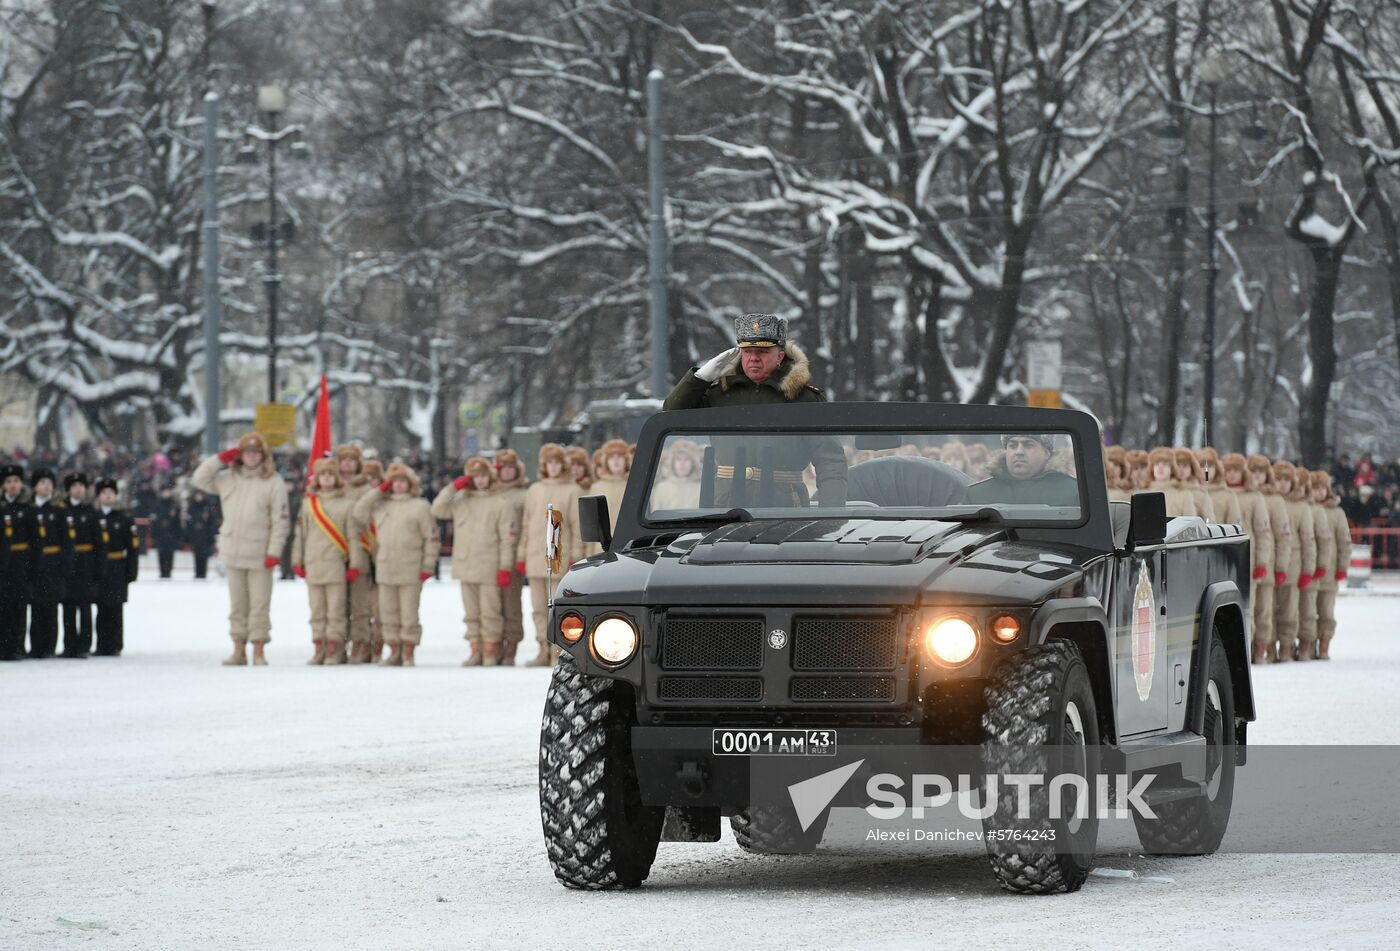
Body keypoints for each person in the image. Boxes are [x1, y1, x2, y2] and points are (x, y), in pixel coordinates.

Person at [662, 314, 847, 507]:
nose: (753, 358)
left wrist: (831, 514)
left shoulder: (804, 399)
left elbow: (830, 462)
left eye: (763, 351)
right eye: (747, 351)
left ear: (780, 356)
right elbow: (671, 414)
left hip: (784, 505)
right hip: (726, 504)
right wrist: (699, 378)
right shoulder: (720, 395)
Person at [191, 432, 290, 667]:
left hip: (260, 552)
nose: (252, 457)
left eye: (256, 453)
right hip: (233, 550)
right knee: (237, 605)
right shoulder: (228, 478)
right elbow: (199, 478)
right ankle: (238, 648)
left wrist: (274, 551)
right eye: (247, 452)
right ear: (240, 455)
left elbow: (280, 520)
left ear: (263, 456)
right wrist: (220, 459)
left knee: (259, 605)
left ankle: (258, 649)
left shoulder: (273, 481)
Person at [352, 462, 439, 667]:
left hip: (410, 568)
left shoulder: (420, 506)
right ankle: (393, 650)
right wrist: (378, 491)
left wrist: (428, 565)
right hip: (385, 568)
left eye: (403, 482)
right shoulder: (382, 505)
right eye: (394, 482)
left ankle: (408, 651)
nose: (399, 486)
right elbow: (359, 512)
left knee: (408, 614)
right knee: (388, 613)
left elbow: (431, 539)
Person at [432, 457, 515, 666]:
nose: (480, 481)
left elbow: (508, 539)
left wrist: (505, 566)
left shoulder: (500, 503)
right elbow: (437, 509)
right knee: (471, 614)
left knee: (490, 612)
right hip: (466, 566)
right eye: (475, 477)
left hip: (489, 566)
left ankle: (490, 650)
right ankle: (475, 649)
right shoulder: (460, 502)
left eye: (483, 476)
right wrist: (453, 487)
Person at [517, 444, 584, 666]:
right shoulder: (534, 490)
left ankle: (558, 651)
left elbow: (576, 527)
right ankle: (541, 649)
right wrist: (521, 554)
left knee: (558, 607)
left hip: (559, 559)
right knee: (538, 608)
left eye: (556, 463)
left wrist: (576, 555)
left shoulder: (572, 490)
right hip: (536, 558)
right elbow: (526, 525)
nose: (553, 467)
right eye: (549, 463)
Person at [292, 458, 360, 665]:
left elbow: (353, 537)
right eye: (323, 475)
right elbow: (300, 535)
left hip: (335, 564)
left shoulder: (347, 504)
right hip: (313, 563)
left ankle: (334, 648)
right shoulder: (308, 504)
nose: (327, 478)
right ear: (317, 479)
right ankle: (319, 647)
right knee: (317, 610)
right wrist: (297, 560)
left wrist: (355, 564)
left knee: (336, 610)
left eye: (331, 474)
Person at [1221, 453, 1274, 664]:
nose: (1231, 474)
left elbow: (1263, 533)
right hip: (1222, 558)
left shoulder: (1254, 498)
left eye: (1235, 470)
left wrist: (1261, 562)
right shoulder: (1220, 495)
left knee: (1247, 607)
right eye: (1228, 470)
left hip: (1244, 558)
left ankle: (1248, 650)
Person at [1247, 454, 1292, 662]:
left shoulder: (1275, 500)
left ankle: (1263, 648)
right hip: (1247, 561)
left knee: (1265, 609)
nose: (1256, 476)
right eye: (1253, 472)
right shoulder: (1246, 496)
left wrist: (1280, 566)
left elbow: (1282, 537)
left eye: (1261, 472)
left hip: (1267, 562)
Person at [1271, 461, 1314, 663]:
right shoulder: (1267, 501)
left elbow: (1308, 541)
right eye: (1278, 479)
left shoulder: (1301, 507)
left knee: (1289, 610)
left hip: (1293, 565)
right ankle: (1268, 647)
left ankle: (1287, 647)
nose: (1281, 484)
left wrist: (1308, 569)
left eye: (1286, 480)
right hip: (1270, 564)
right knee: (1267, 610)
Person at [92, 478, 140, 656]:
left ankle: (115, 644)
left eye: (111, 493)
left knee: (116, 608)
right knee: (101, 607)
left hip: (118, 567)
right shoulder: (95, 517)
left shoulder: (124, 518)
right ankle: (102, 644)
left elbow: (133, 548)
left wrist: (131, 571)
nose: (108, 496)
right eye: (104, 493)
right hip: (100, 567)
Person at [26, 468, 70, 658]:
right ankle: (36, 646)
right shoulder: (29, 510)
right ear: (35, 486)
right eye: (43, 483)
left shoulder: (58, 511)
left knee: (51, 608)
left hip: (53, 564)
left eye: (50, 483)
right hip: (34, 564)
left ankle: (49, 645)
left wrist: (64, 565)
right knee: (35, 607)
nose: (47, 487)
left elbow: (67, 541)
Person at [966, 434, 1079, 506]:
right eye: (1013, 445)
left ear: (1046, 453)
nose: (1019, 452)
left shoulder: (1073, 492)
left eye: (1028, 445)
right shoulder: (976, 494)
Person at [492, 449, 528, 665]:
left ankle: (511, 646)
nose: (506, 473)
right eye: (502, 468)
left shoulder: (524, 495)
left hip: (513, 556)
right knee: (492, 607)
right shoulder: (490, 493)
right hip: (489, 557)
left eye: (510, 468)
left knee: (511, 606)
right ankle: (494, 644)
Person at [61, 473, 100, 657]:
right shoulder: (62, 511)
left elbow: (99, 543)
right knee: (68, 607)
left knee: (85, 607)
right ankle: (69, 645)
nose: (78, 489)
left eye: (81, 486)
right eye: (75, 486)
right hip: (67, 564)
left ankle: (84, 645)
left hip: (86, 564)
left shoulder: (91, 512)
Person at [1313, 471, 1350, 660]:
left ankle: (1324, 644)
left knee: (1326, 611)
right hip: (1309, 570)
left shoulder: (1336, 513)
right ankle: (1309, 645)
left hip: (1329, 571)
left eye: (1321, 488)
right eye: (1314, 488)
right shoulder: (1307, 509)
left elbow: (1344, 542)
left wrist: (1342, 567)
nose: (1318, 492)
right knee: (1308, 611)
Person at [0, 463, 33, 662]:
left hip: (21, 562)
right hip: (3, 564)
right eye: (9, 481)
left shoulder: (27, 509)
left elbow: (36, 540)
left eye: (16, 481)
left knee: (19, 607)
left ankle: (18, 646)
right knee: (3, 606)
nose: (13, 485)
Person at [355, 457, 385, 662]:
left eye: (374, 479)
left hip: (382, 559)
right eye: (366, 479)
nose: (370, 483)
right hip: (362, 556)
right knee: (360, 607)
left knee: (380, 608)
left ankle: (378, 644)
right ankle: (362, 643)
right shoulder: (358, 501)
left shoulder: (387, 501)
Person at [585, 439, 631, 556]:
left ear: (626, 460)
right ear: (606, 461)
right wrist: (588, 554)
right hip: (601, 549)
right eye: (611, 457)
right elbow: (590, 525)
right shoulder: (596, 487)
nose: (615, 461)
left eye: (619, 457)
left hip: (629, 548)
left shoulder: (634, 485)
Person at [651, 439, 703, 511]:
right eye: (678, 459)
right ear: (672, 462)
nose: (682, 463)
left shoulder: (701, 488)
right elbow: (654, 516)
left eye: (686, 459)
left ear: (693, 462)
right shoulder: (661, 488)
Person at [1195, 448, 1242, 526]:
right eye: (1202, 466)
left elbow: (1235, 528)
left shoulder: (1228, 495)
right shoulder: (1190, 492)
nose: (1206, 470)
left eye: (1210, 466)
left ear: (1216, 468)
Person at [1173, 448, 1216, 522]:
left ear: (1192, 468)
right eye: (1178, 465)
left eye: (1185, 466)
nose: (1181, 469)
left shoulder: (1202, 495)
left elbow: (1210, 523)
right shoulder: (1167, 491)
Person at [185, 487, 219, 580]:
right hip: (195, 535)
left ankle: (203, 574)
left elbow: (212, 522)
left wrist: (211, 536)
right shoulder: (191, 507)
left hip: (205, 536)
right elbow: (188, 522)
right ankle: (197, 573)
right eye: (197, 495)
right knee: (196, 555)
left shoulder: (207, 507)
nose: (199, 497)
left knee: (204, 556)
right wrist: (188, 536)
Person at [151, 482, 183, 579]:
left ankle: (168, 572)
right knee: (161, 554)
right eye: (164, 491)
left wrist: (178, 536)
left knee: (170, 554)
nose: (166, 493)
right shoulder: (157, 505)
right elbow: (154, 521)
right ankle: (162, 572)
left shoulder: (174, 505)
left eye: (168, 491)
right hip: (161, 534)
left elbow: (178, 522)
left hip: (171, 534)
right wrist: (154, 534)